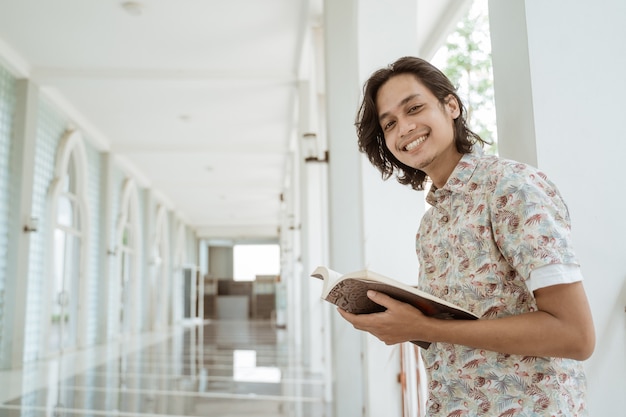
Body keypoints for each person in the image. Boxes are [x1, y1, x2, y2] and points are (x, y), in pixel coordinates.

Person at [338, 56, 595, 416]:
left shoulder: (511, 188)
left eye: (414, 108)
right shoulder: (431, 225)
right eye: (390, 123)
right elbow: (460, 331)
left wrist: (426, 327)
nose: (405, 128)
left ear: (451, 106)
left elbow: (575, 336)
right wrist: (400, 323)